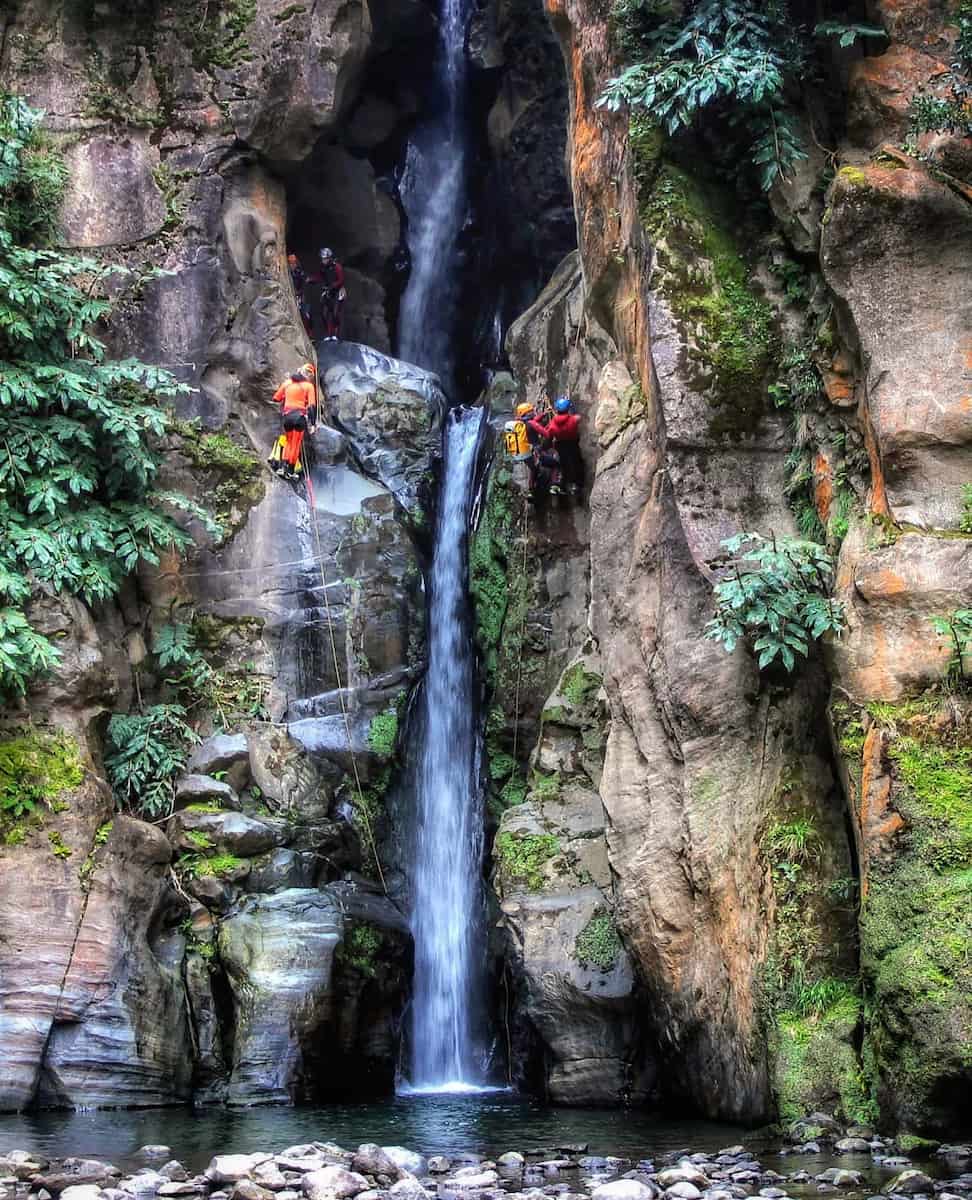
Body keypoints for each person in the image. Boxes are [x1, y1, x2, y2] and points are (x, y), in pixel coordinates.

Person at [268, 364, 317, 479]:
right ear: (309, 375)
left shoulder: (287, 383)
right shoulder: (308, 386)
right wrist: (313, 424)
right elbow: (311, 406)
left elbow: (276, 398)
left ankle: (283, 468)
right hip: (299, 417)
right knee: (295, 444)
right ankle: (290, 470)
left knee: (289, 442)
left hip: (287, 416)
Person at [536, 396, 583, 497]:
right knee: (576, 461)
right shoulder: (573, 420)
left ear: (557, 410)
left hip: (560, 445)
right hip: (573, 443)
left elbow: (548, 436)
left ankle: (563, 483)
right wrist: (572, 408)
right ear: (567, 409)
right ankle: (576, 485)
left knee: (564, 463)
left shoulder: (552, 424)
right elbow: (578, 417)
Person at [305, 247, 346, 342]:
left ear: (330, 258)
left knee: (335, 313)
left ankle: (335, 335)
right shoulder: (323, 267)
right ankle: (328, 333)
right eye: (322, 258)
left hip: (338, 292)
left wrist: (332, 286)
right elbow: (319, 277)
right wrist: (311, 279)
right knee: (324, 313)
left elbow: (341, 280)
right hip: (328, 292)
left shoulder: (337, 267)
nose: (323, 260)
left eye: (325, 258)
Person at [287, 252, 311, 334]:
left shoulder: (299, 272)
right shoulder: (287, 273)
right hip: (290, 296)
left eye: (294, 263)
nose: (293, 265)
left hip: (299, 296)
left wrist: (299, 293)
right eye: (291, 263)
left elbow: (304, 283)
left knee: (305, 314)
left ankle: (309, 334)